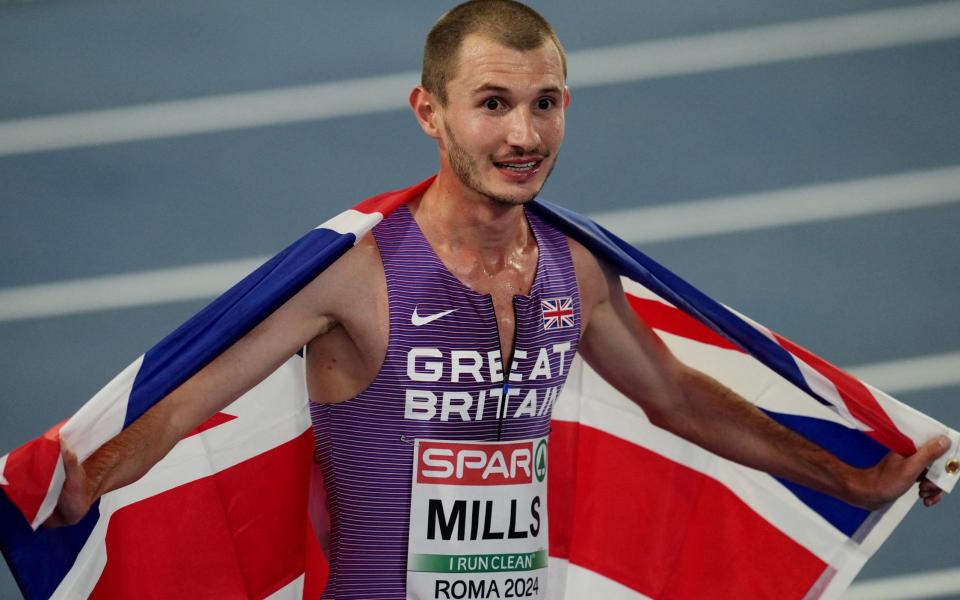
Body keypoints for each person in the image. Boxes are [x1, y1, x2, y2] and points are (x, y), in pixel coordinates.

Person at [47, 1, 949, 598]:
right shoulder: (354, 276)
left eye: (545, 103)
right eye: (492, 104)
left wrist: (854, 479)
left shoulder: (577, 269)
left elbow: (673, 397)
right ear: (428, 111)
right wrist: (89, 477)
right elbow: (180, 411)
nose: (524, 135)